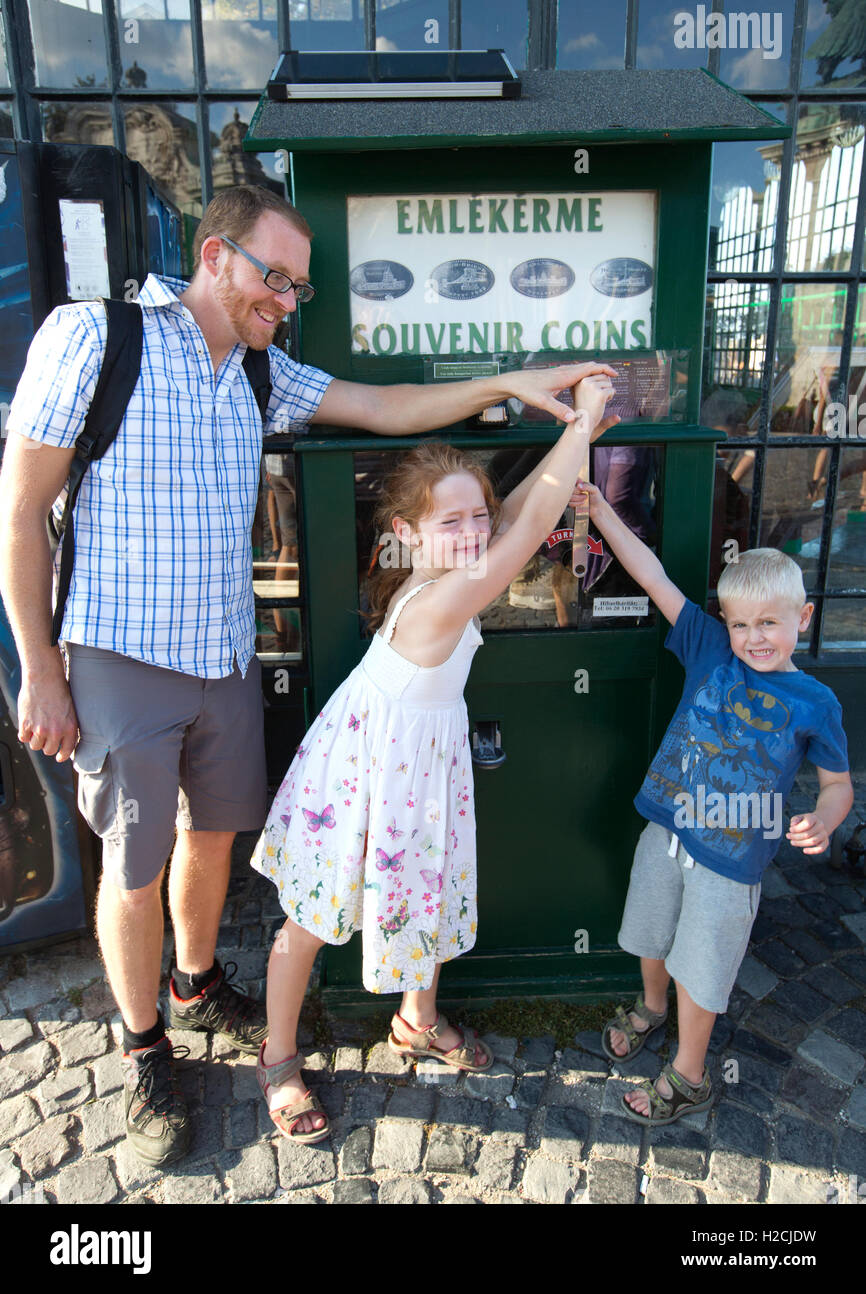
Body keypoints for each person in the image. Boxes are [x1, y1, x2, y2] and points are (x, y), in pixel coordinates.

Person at [0, 183, 618, 1168]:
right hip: (117, 655)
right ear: (215, 256)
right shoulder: (94, 337)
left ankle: (196, 980)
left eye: (297, 287)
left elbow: (383, 406)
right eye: (273, 278)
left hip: (223, 655)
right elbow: (22, 503)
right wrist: (38, 663)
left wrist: (516, 380)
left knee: (212, 837)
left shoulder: (259, 373)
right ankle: (144, 1045)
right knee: (133, 861)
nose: (285, 301)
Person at [250, 372, 616, 1142]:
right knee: (308, 920)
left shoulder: (446, 568)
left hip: (410, 764)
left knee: (424, 880)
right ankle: (278, 1055)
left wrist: (566, 442)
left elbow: (515, 514)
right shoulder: (443, 598)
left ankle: (415, 1019)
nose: (473, 529)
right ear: (407, 532)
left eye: (476, 512)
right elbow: (522, 534)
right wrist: (580, 429)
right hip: (363, 777)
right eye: (450, 519)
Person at [578, 480, 853, 1126]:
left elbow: (839, 783)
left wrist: (827, 818)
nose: (755, 638)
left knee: (701, 969)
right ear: (723, 622)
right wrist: (601, 514)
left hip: (732, 864)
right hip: (666, 832)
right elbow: (651, 575)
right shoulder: (707, 647)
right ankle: (651, 1006)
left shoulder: (817, 702)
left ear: (802, 620)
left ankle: (690, 1073)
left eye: (769, 624)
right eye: (740, 625)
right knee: (648, 933)